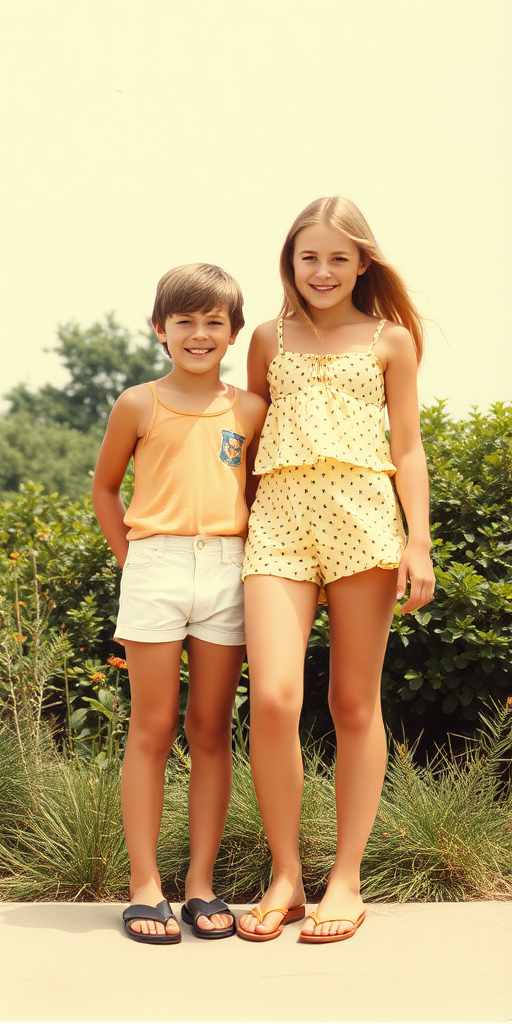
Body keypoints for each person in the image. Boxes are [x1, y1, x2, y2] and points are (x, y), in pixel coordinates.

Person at [237, 197, 436, 943]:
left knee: (355, 704)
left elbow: (409, 446)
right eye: (308, 257)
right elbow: (245, 440)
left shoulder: (390, 340)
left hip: (364, 524)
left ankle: (344, 879)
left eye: (339, 258)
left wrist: (417, 542)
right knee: (277, 700)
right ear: (290, 262)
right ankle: (286, 874)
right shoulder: (266, 339)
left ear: (363, 264)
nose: (323, 271)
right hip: (279, 526)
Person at [92, 263, 267, 944]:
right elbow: (106, 489)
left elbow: (256, 497)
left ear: (233, 332)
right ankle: (145, 885)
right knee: (152, 726)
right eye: (185, 321)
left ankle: (199, 885)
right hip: (156, 564)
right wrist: (135, 561)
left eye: (213, 322)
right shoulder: (138, 403)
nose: (199, 333)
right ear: (160, 329)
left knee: (211, 729)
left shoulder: (249, 409)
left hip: (228, 570)